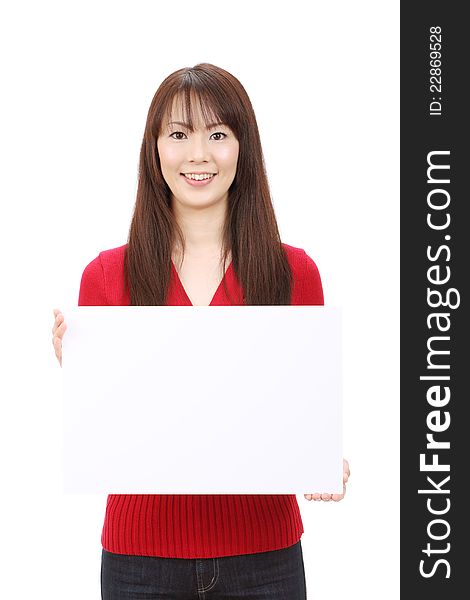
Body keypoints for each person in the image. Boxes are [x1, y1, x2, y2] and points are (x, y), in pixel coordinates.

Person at [52, 63, 350, 600]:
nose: (198, 154)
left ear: (243, 148)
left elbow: (300, 411)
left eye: (218, 134)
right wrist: (79, 372)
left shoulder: (292, 273)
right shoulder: (105, 276)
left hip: (265, 558)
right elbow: (112, 428)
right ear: (154, 149)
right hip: (139, 559)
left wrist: (324, 456)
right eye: (179, 134)